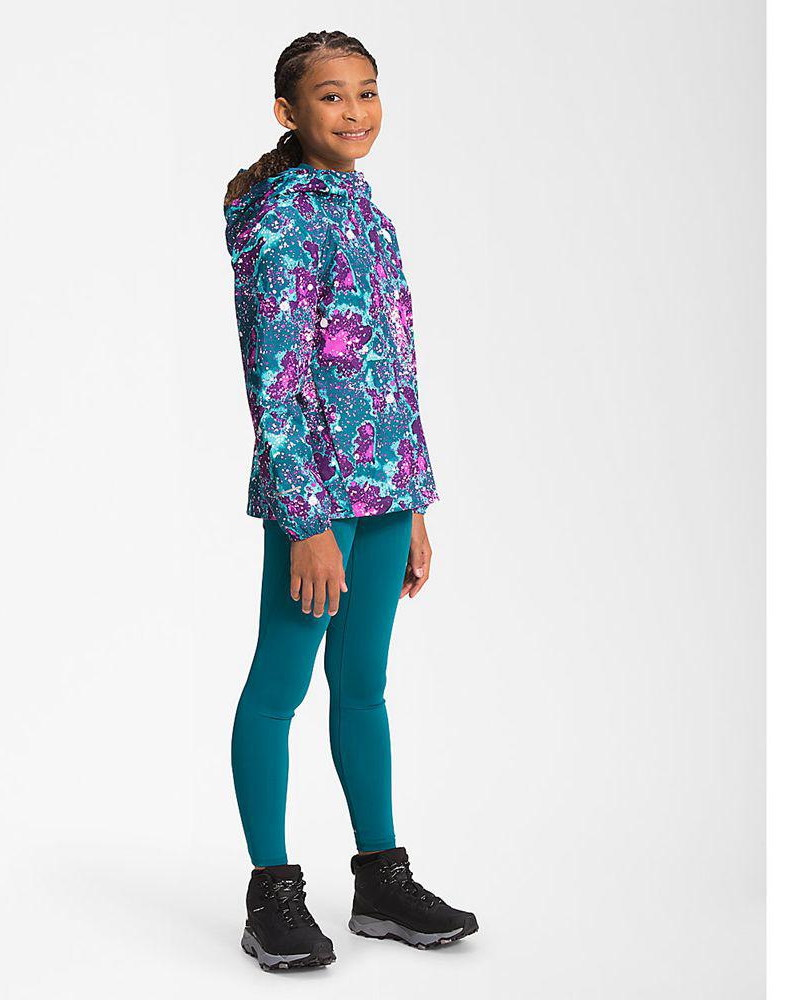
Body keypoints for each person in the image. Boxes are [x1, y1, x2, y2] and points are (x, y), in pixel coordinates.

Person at [222, 30, 477, 972]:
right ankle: (271, 893)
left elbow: (394, 367)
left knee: (363, 683)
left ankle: (381, 878)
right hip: (318, 503)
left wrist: (415, 503)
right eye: (332, 95)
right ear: (288, 112)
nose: (356, 111)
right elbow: (276, 383)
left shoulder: (370, 215)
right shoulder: (281, 220)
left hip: (385, 493)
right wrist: (306, 522)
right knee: (280, 685)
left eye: (367, 91)